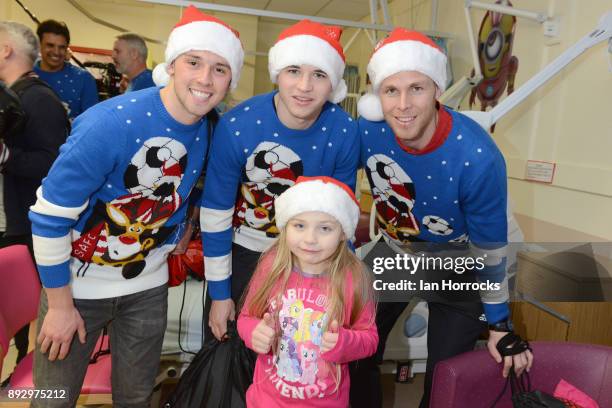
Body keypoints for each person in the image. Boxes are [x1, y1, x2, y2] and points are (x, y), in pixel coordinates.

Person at [28, 6, 243, 407]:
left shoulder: (213, 129)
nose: (205, 79)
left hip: (147, 288)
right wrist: (58, 304)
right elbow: (48, 217)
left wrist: (185, 226)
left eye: (220, 69)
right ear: (172, 65)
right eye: (194, 63)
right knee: (52, 400)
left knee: (137, 398)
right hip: (75, 287)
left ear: (230, 79)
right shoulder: (111, 122)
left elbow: (201, 194)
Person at [350, 28, 533, 408]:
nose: (403, 105)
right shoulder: (367, 131)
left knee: (446, 374)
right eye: (390, 91)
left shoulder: (477, 157)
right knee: (353, 348)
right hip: (397, 249)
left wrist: (499, 323)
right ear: (376, 97)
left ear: (437, 90)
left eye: (416, 88)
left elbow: (489, 247)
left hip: (461, 257)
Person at [202, 19, 360, 342]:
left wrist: (344, 290)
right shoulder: (237, 125)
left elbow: (343, 222)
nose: (304, 86)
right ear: (278, 75)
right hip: (244, 250)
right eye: (293, 71)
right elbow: (215, 213)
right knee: (228, 356)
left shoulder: (344, 131)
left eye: (319, 74)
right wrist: (220, 293)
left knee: (298, 358)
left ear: (333, 84)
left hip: (310, 258)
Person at [237, 176, 378, 407]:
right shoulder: (270, 266)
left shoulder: (354, 277)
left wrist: (343, 343)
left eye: (325, 228)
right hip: (266, 401)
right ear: (285, 226)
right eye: (299, 225)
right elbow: (245, 318)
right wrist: (254, 332)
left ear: (343, 232)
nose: (310, 239)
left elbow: (370, 339)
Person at [0, 20, 69, 386]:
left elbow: (52, 165)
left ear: (6, 50)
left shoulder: (37, 99)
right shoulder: (16, 96)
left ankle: (37, 382)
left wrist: (6, 156)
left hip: (31, 227)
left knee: (36, 311)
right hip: (16, 220)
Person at [33, 19, 98, 120]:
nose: (56, 52)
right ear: (39, 44)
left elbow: (91, 123)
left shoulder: (84, 79)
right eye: (50, 45)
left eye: (62, 47)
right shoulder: (25, 75)